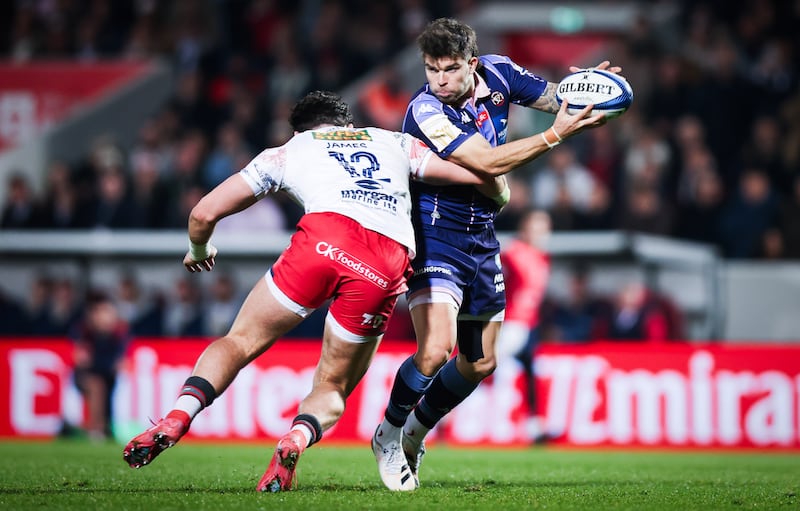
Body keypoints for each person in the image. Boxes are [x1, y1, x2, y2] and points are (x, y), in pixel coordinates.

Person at [121, 90, 531, 492]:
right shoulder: (392, 141)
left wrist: (200, 248)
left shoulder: (287, 151)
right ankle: (295, 439)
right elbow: (477, 174)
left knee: (240, 340)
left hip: (322, 242)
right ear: (348, 125)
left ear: (299, 130)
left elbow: (203, 212)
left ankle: (179, 413)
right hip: (385, 260)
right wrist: (505, 186)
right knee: (334, 385)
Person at [372, 17, 620, 491]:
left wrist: (593, 92)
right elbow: (485, 163)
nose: (439, 80)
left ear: (472, 61)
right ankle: (386, 434)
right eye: (431, 69)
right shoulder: (425, 111)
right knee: (434, 349)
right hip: (433, 232)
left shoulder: (500, 72)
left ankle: (414, 435)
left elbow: (555, 97)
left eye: (449, 69)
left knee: (480, 362)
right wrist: (554, 135)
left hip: (482, 236)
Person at [496, 209, 552, 444]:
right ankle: (441, 411)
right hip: (509, 324)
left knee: (532, 373)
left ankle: (535, 426)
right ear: (525, 228)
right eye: (535, 226)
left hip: (528, 326)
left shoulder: (542, 258)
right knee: (481, 369)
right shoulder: (512, 251)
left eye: (544, 228)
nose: (539, 232)